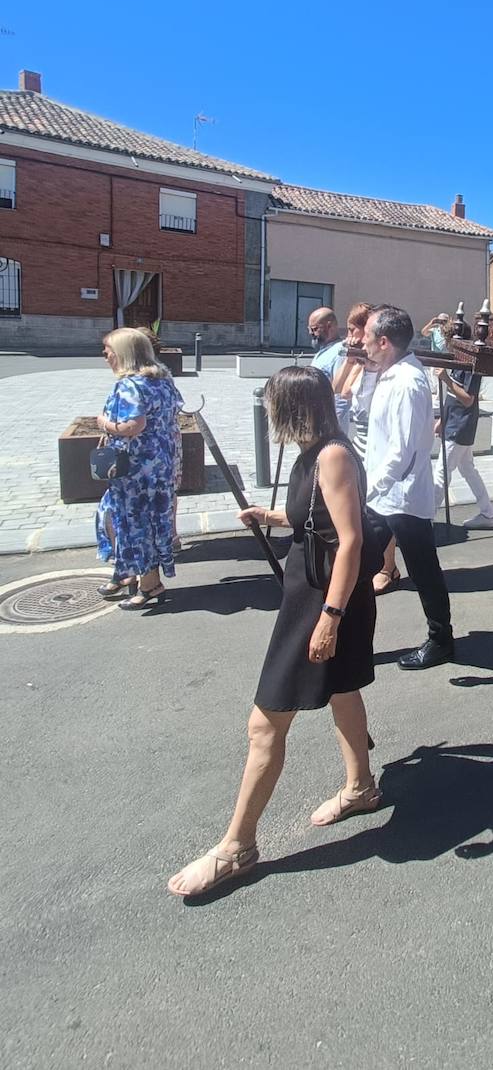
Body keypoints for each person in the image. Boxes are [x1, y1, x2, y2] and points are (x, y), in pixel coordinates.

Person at [167, 367, 379, 897]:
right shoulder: (316, 452)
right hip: (312, 590)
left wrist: (330, 618)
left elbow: (350, 540)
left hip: (325, 598)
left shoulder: (331, 455)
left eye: (272, 406)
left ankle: (237, 846)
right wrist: (273, 514)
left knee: (265, 725)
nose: (268, 416)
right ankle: (362, 787)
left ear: (296, 408)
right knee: (342, 690)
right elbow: (321, 519)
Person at [363, 305, 454, 669]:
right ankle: (344, 636)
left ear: (384, 342)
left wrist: (367, 491)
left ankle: (441, 640)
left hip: (400, 497)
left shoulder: (406, 382)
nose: (362, 342)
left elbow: (401, 451)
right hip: (384, 496)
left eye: (367, 336)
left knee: (424, 571)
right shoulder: (391, 373)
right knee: (356, 566)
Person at [95, 328, 184, 610]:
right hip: (159, 465)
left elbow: (134, 426)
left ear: (123, 353)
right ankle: (127, 571)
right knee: (123, 517)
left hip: (135, 470)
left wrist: (104, 424)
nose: (105, 355)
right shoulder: (162, 380)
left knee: (136, 524)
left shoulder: (129, 385)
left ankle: (150, 585)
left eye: (108, 349)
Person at [434, 321, 493, 530]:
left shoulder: (472, 364)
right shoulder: (460, 358)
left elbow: (468, 399)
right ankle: (488, 512)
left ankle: (426, 518)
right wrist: (443, 418)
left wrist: (445, 378)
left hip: (461, 423)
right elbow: (452, 398)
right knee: (467, 468)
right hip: (455, 421)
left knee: (442, 471)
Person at [332, 302, 377, 459]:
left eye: (352, 330)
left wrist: (355, 360)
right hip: (362, 438)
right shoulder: (357, 357)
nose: (349, 337)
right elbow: (336, 388)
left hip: (372, 442)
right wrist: (349, 361)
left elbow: (346, 392)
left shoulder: (372, 358)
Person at [308, 308, 348, 425]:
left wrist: (334, 427)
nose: (311, 333)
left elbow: (340, 395)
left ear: (329, 326)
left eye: (314, 329)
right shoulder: (324, 351)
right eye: (309, 329)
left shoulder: (340, 352)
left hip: (329, 423)